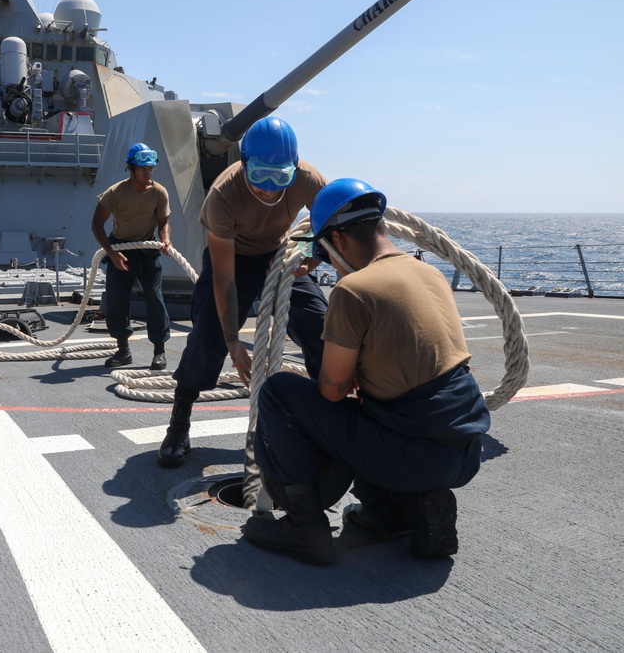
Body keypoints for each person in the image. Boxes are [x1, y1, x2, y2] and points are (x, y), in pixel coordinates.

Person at [242, 178, 491, 566]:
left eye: (322, 251)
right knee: (378, 405)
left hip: (413, 453)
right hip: (464, 449)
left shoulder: (353, 290)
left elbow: (333, 393)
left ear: (338, 241)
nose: (322, 260)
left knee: (281, 392)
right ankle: (392, 510)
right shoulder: (430, 275)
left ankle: (304, 526)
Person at [157, 117, 329, 468]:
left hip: (280, 254)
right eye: (260, 177)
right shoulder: (222, 195)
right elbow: (223, 277)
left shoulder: (310, 179)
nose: (269, 189)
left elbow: (330, 222)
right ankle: (179, 421)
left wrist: (313, 257)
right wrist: (233, 342)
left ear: (293, 169)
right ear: (245, 165)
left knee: (322, 326)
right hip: (233, 258)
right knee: (207, 336)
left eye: (279, 178)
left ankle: (330, 418)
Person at [91, 143, 172, 370]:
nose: (148, 173)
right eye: (143, 169)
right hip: (120, 249)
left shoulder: (159, 192)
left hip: (147, 250)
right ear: (131, 168)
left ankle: (159, 351)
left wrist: (165, 239)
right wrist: (112, 254)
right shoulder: (115, 193)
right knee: (117, 301)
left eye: (151, 169)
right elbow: (97, 224)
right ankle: (123, 351)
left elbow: (163, 222)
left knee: (155, 299)